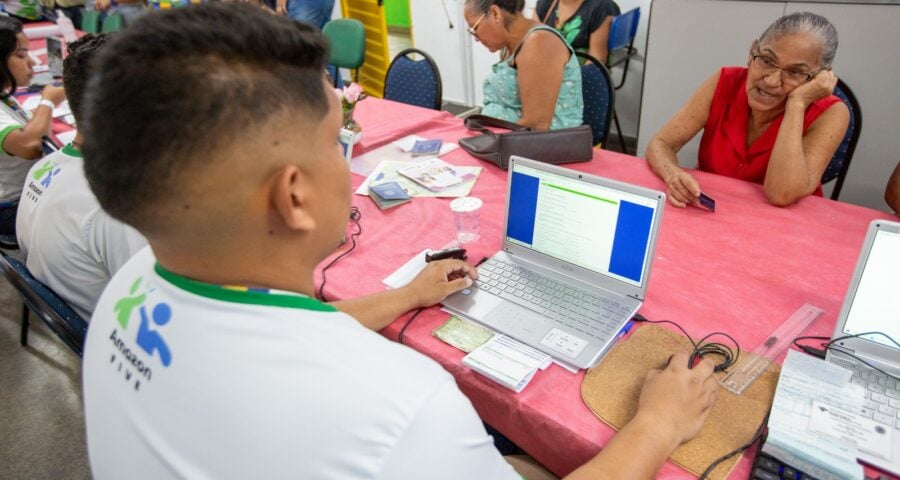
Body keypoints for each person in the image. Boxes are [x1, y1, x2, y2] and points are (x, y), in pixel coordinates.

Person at [81, 4, 717, 478]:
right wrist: (658, 423)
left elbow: (298, 327)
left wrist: (408, 294)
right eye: (338, 140)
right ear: (293, 196)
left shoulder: (131, 288)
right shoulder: (401, 408)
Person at [646, 12, 849, 208]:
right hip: (711, 212)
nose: (771, 81)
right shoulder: (725, 81)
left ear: (819, 78)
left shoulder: (832, 113)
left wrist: (797, 103)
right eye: (767, 61)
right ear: (752, 52)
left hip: (785, 226)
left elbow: (781, 194)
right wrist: (672, 173)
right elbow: (661, 143)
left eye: (796, 72)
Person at [15, 33, 147, 320]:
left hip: (69, 308)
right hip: (112, 329)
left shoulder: (45, 165)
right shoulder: (117, 208)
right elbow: (149, 303)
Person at [465, 0, 583, 131]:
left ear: (495, 13)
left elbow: (536, 125)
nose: (475, 37)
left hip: (540, 146)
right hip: (508, 139)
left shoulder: (539, 43)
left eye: (474, 28)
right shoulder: (509, 46)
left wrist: (490, 139)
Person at [0, 16, 65, 236]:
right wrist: (47, 101)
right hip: (12, 208)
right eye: (20, 55)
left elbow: (37, 133)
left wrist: (42, 109)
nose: (31, 63)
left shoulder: (5, 96)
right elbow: (30, 145)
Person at [534, 0, 619, 63]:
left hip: (580, 78)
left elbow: (597, 59)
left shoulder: (602, 7)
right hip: (545, 71)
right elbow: (531, 43)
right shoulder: (545, 3)